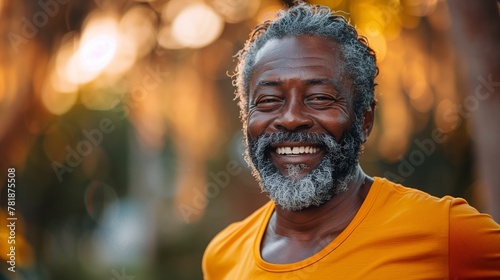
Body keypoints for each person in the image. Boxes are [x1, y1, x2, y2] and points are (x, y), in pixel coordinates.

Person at [202, 1, 500, 279]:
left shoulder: (445, 231)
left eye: (319, 98)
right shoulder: (224, 255)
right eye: (268, 100)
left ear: (365, 121)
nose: (291, 118)